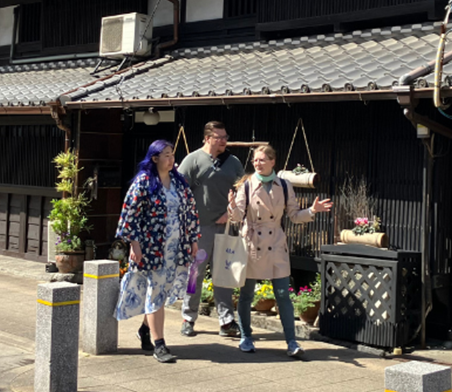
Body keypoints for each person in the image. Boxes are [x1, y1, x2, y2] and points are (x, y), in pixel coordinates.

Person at [227, 144, 333, 358]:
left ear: (273, 161)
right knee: (246, 295)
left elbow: (293, 216)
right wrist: (231, 206)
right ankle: (246, 337)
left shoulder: (284, 186)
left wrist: (313, 210)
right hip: (251, 244)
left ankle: (292, 342)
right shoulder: (246, 186)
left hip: (276, 243)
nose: (258, 163)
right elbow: (237, 217)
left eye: (262, 160)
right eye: (255, 160)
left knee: (283, 294)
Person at [114, 140, 200, 363]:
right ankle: (159, 344)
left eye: (172, 155)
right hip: (151, 247)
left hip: (175, 247)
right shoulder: (144, 182)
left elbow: (190, 212)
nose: (171, 160)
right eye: (166, 155)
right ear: (155, 159)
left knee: (161, 293)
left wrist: (193, 241)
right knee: (156, 292)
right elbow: (129, 214)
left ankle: (145, 330)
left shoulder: (179, 182)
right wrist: (134, 244)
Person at [177, 121, 242, 338]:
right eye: (219, 137)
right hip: (199, 229)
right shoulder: (193, 160)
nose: (224, 141)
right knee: (194, 274)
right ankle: (188, 317)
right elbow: (179, 191)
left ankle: (226, 321)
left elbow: (242, 191)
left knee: (223, 273)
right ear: (207, 138)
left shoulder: (233, 162)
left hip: (226, 226)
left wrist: (231, 212)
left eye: (225, 136)